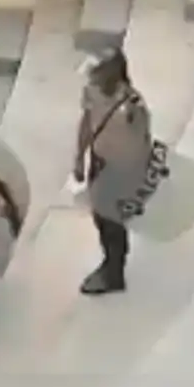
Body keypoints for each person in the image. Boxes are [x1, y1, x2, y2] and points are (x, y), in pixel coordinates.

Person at [73, 47, 151, 296]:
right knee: (100, 217)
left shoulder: (132, 105)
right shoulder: (91, 92)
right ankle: (110, 261)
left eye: (97, 73)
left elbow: (143, 141)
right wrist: (79, 156)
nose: (92, 78)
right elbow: (87, 122)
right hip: (99, 162)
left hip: (122, 169)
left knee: (112, 221)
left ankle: (114, 271)